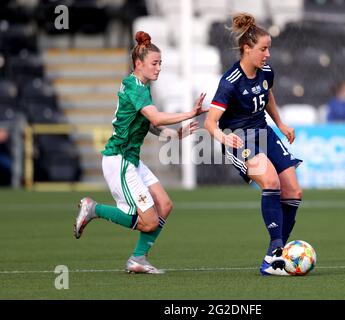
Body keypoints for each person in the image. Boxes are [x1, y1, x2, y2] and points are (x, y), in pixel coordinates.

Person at [73, 31, 207, 274]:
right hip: (119, 160)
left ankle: (138, 259)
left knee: (165, 205)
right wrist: (191, 112)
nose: (158, 69)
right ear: (139, 64)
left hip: (131, 161)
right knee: (149, 222)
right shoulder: (136, 88)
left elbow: (151, 125)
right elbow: (155, 116)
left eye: (160, 64)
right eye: (154, 64)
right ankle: (94, 209)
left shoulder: (141, 87)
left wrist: (176, 134)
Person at [204, 13, 303, 276]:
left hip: (265, 133)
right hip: (240, 139)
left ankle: (275, 256)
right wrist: (224, 137)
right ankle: (276, 251)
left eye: (269, 48)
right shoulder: (230, 82)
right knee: (271, 181)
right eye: (263, 48)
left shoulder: (266, 71)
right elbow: (210, 123)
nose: (268, 54)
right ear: (247, 49)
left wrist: (280, 124)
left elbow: (266, 94)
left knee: (293, 190)